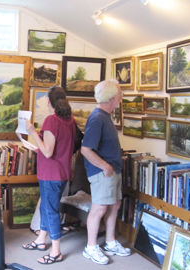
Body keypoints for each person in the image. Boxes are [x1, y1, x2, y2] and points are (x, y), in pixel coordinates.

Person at [22, 86, 76, 265]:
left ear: (48, 101)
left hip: (51, 173)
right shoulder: (70, 120)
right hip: (61, 172)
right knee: (47, 207)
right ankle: (40, 240)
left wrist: (32, 133)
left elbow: (47, 152)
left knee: (50, 210)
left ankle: (56, 251)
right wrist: (40, 138)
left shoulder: (51, 121)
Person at [81, 79, 131, 265]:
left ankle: (110, 242)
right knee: (99, 208)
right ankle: (91, 247)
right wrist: (105, 167)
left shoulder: (105, 115)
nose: (121, 96)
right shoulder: (97, 118)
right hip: (103, 173)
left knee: (114, 205)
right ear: (111, 97)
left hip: (112, 171)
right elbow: (86, 150)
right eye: (120, 93)